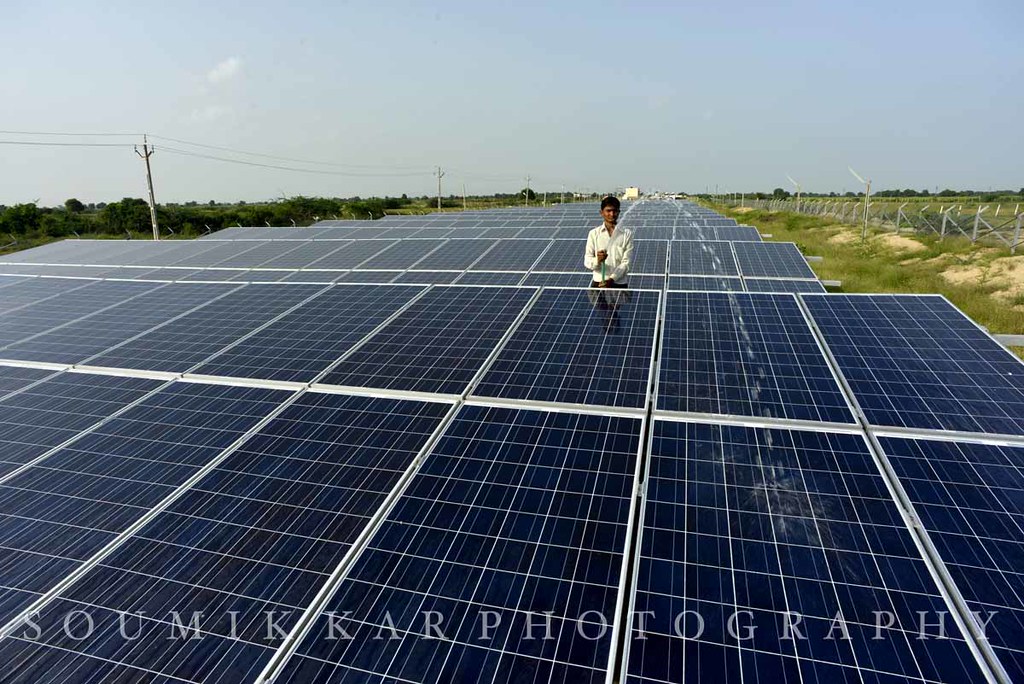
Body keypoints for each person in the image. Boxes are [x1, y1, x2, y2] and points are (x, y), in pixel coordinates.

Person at [584, 196, 633, 288]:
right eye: (608, 211)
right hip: (599, 283)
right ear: (601, 212)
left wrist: (612, 279)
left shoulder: (626, 234)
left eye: (615, 211)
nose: (612, 214)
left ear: (619, 212)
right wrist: (598, 260)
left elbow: (626, 262)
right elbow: (587, 261)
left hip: (619, 283)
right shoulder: (594, 234)